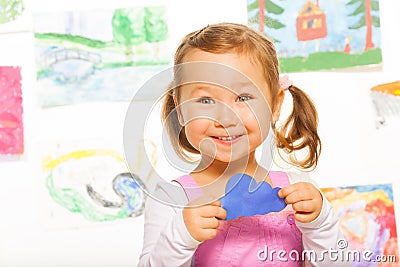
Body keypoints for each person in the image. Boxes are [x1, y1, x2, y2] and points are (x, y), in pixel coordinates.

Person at [139, 22, 349, 266]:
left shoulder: (298, 190)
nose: (226, 118)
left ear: (275, 105)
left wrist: (320, 223)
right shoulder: (170, 198)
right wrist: (181, 237)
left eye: (243, 98)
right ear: (180, 109)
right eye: (205, 100)